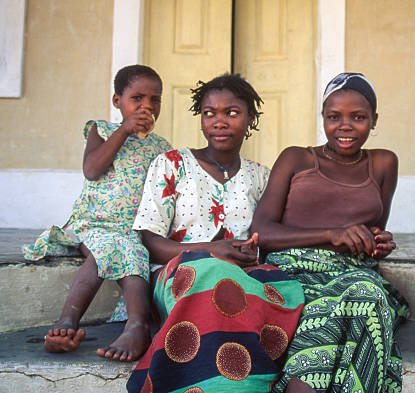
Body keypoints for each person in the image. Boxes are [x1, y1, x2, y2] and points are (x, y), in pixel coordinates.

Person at [126, 73, 304, 392]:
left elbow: (269, 235)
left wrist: (250, 250)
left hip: (244, 276)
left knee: (290, 289)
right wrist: (212, 250)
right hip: (180, 273)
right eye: (210, 113)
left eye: (231, 113)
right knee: (211, 275)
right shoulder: (171, 164)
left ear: (251, 119)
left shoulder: (261, 177)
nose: (219, 121)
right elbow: (150, 240)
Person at [251, 72, 409, 393]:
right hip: (293, 270)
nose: (345, 126)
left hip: (354, 272)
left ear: (374, 120)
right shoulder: (296, 158)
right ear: (323, 118)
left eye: (358, 117)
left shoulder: (383, 163)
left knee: (368, 297)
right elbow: (261, 232)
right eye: (334, 117)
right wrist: (331, 234)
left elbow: (375, 230)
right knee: (327, 309)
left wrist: (378, 242)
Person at [23, 64, 173, 361]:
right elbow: (92, 169)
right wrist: (124, 130)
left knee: (133, 253)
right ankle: (67, 323)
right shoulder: (101, 130)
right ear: (118, 101)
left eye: (154, 99)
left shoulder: (162, 147)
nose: (147, 106)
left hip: (131, 229)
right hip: (93, 222)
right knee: (106, 249)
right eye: (137, 98)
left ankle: (136, 325)